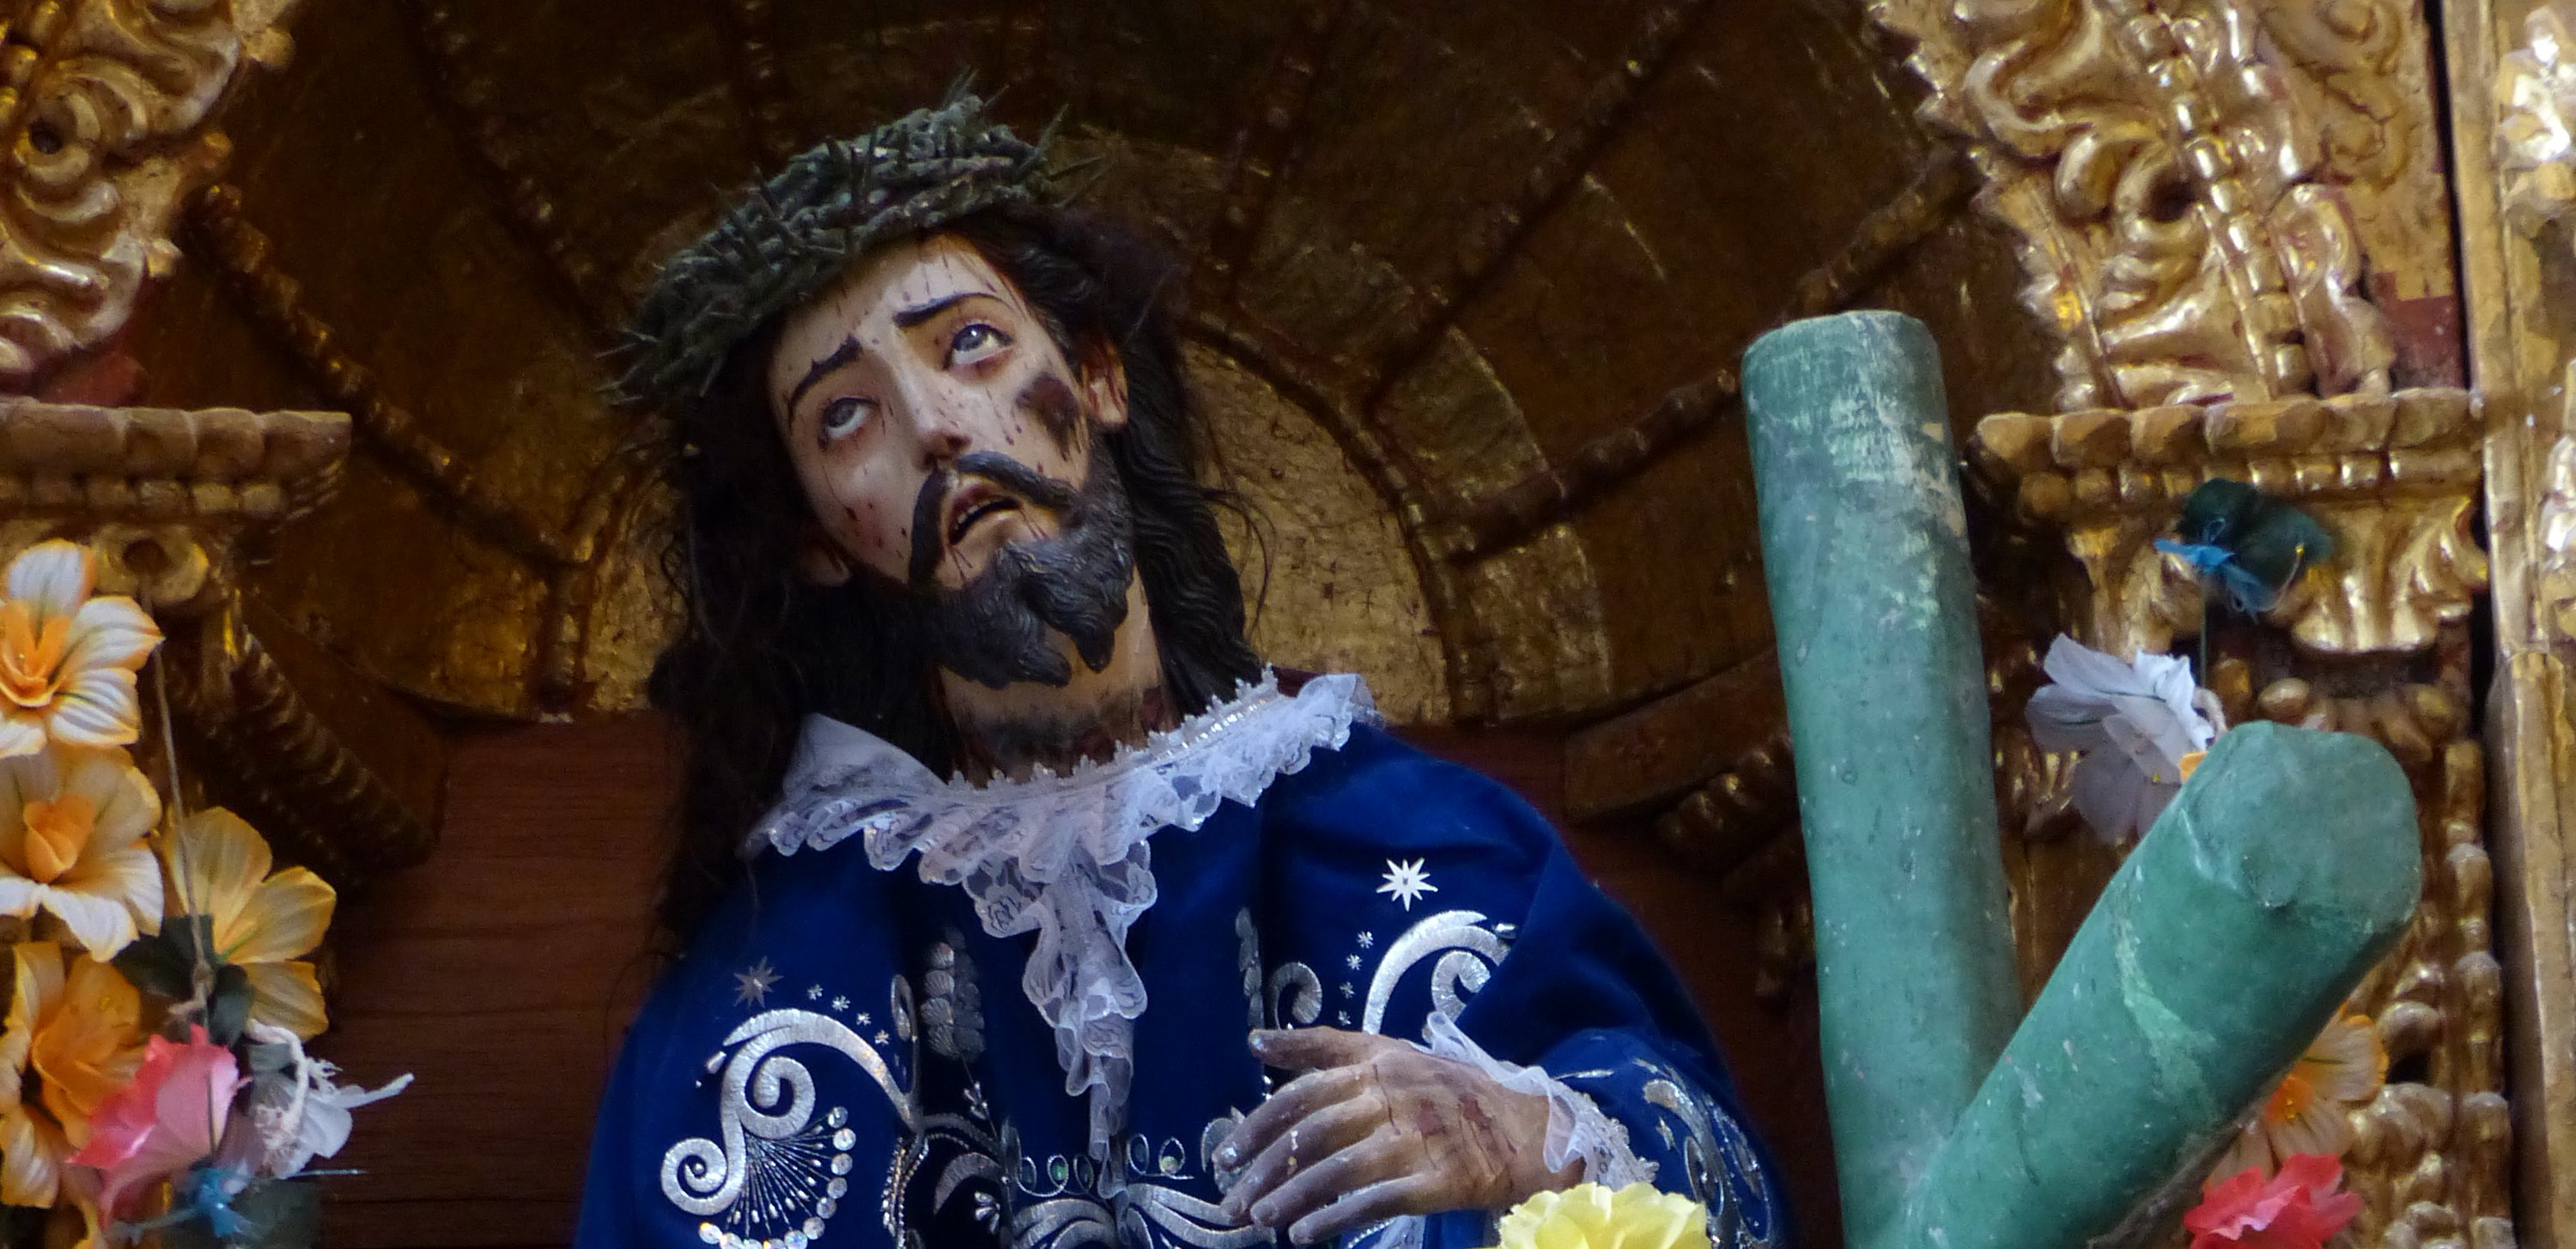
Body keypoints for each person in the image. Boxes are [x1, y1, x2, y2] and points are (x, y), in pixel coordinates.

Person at [575, 92, 1783, 1249]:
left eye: (974, 345)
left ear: (1097, 378)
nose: (936, 422)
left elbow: (1709, 1171)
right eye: (846, 416)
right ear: (817, 538)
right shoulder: (799, 954)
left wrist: (1533, 1138)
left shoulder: (1413, 840)